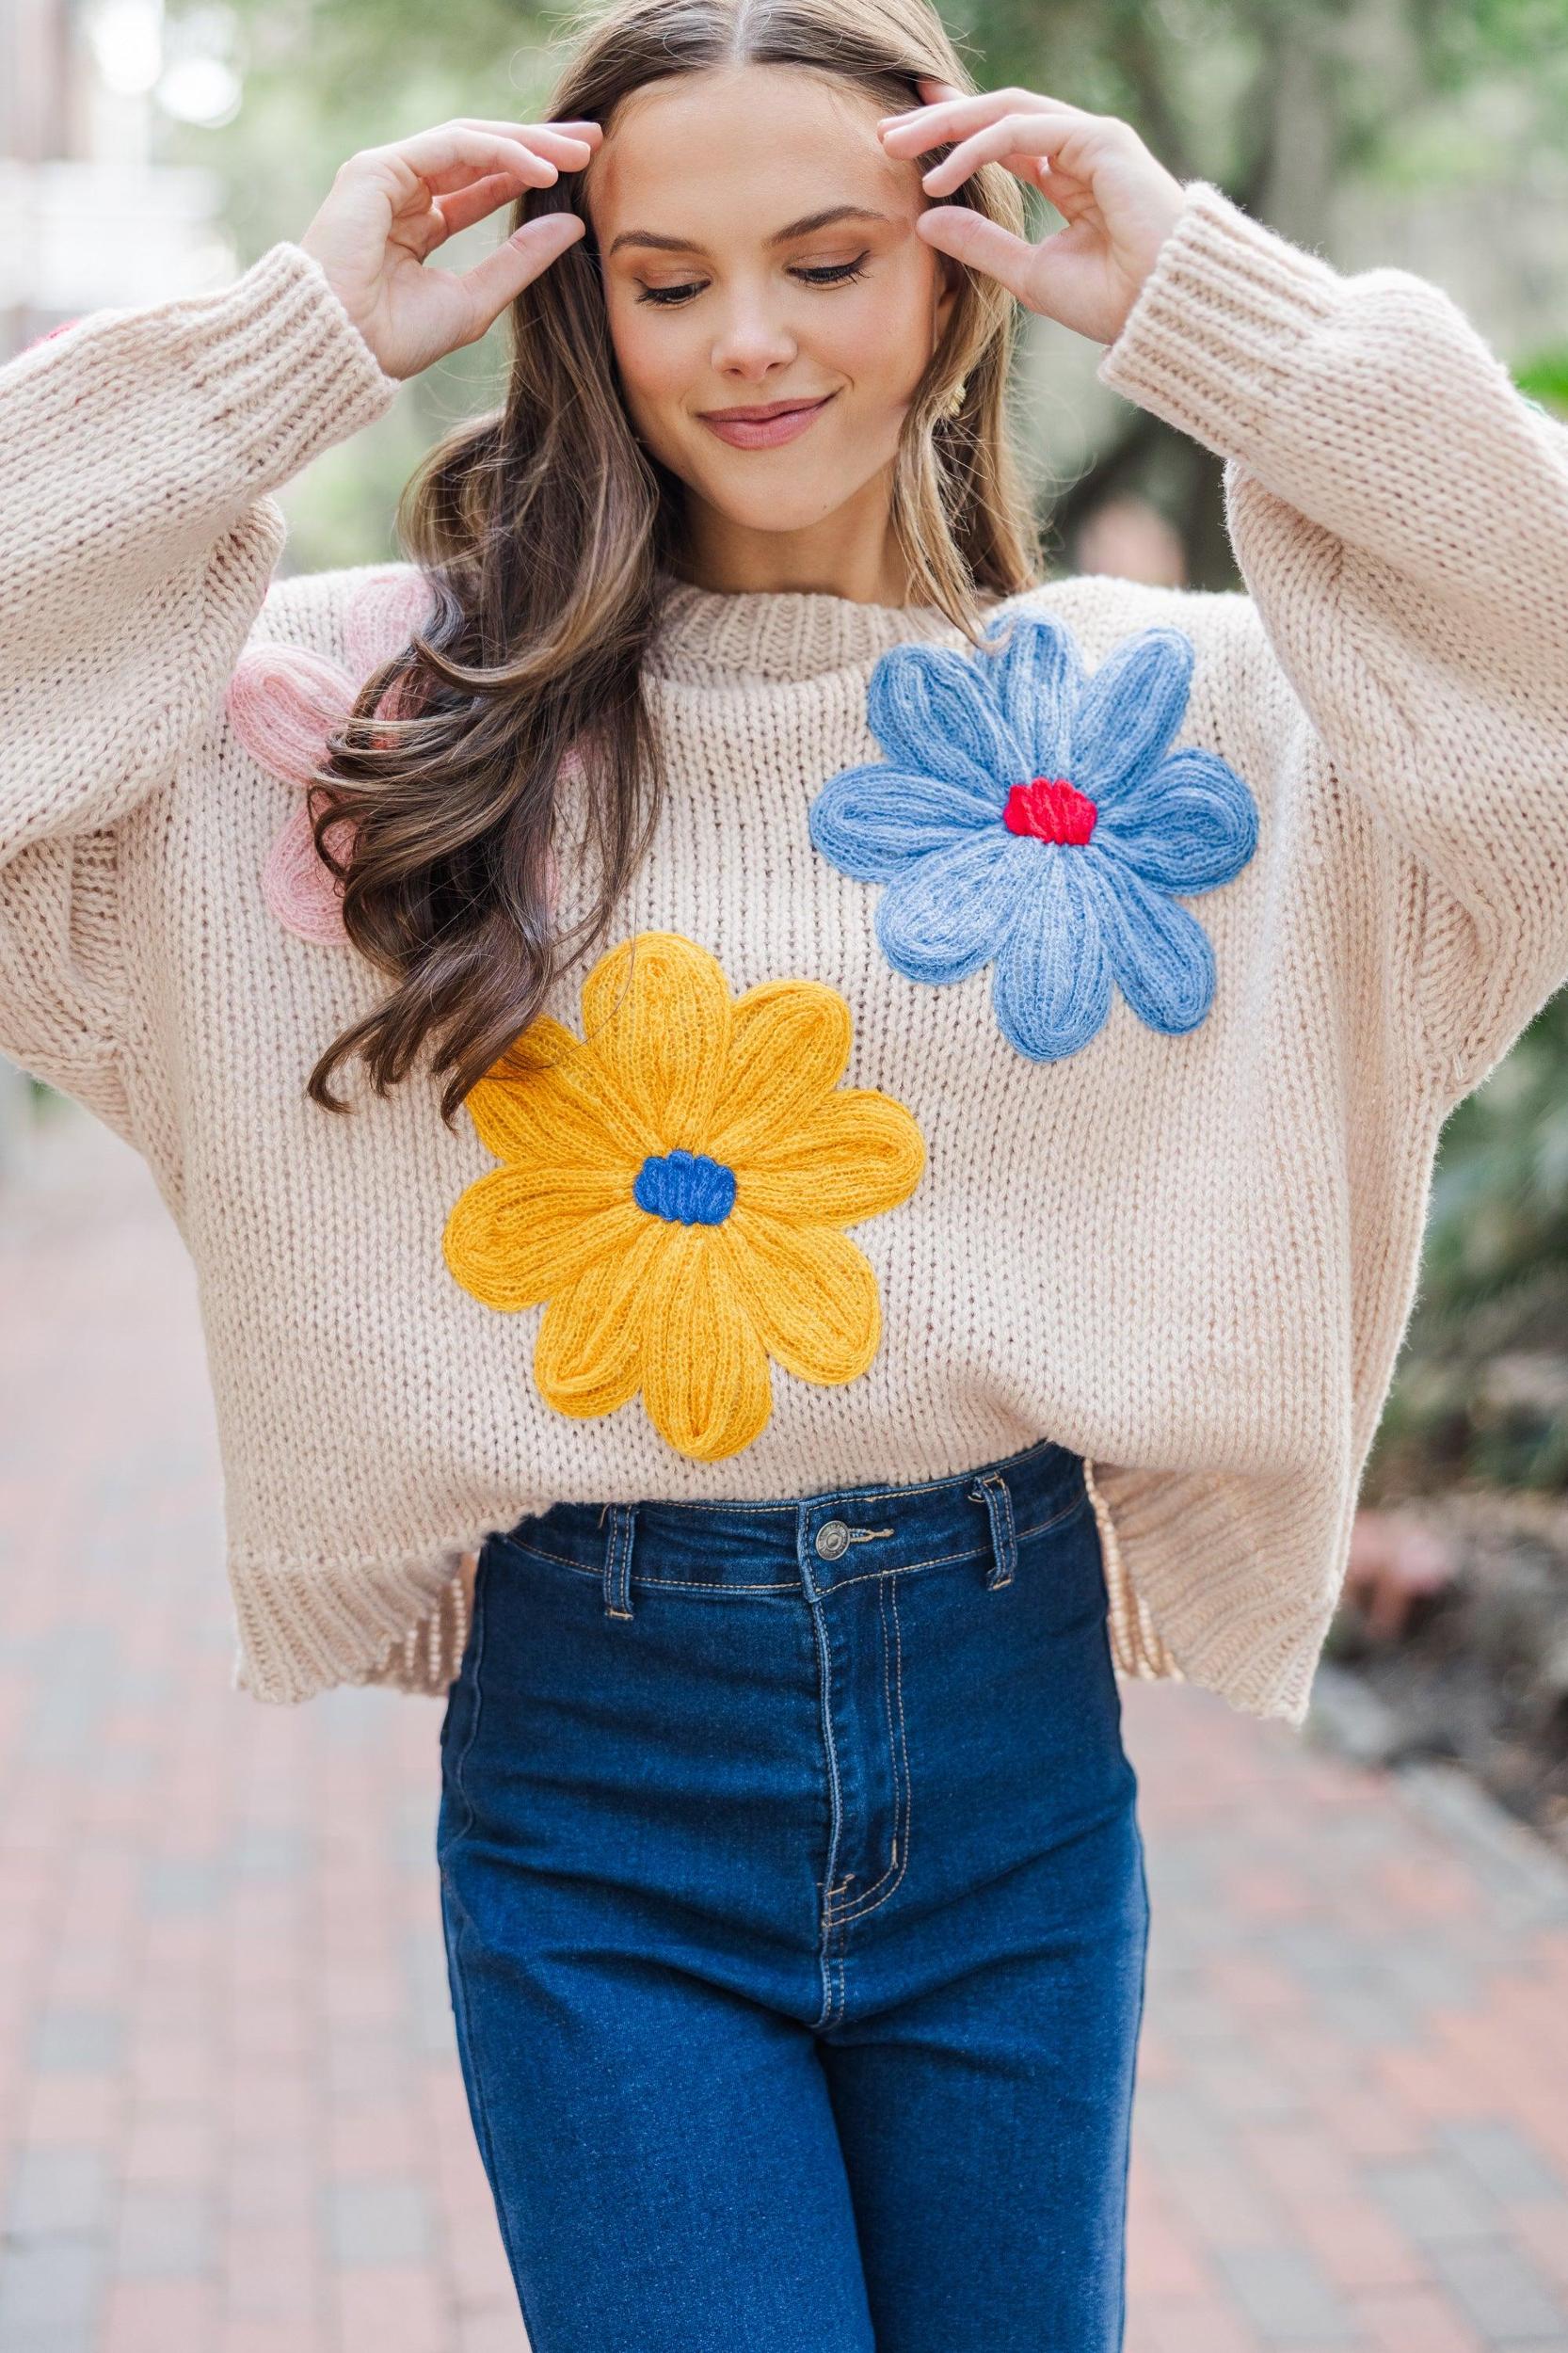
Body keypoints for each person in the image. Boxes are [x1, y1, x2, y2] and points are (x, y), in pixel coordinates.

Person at [4, 0, 1567, 2343]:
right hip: (595, 1775)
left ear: (947, 272)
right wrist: (287, 349)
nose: (746, 340)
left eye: (827, 257)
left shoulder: (1168, 730)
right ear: (579, 300)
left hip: (1016, 1743)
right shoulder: (363, 730)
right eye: (664, 276)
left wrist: (1216, 319)